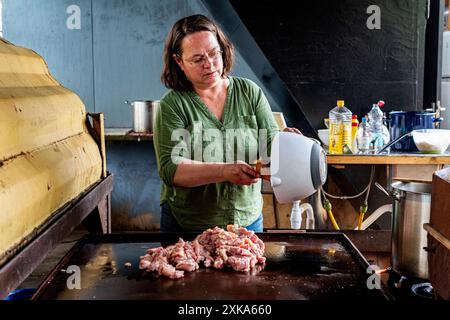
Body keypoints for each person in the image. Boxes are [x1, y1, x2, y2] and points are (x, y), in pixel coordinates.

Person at [154, 14, 301, 233]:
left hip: (247, 223)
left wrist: (287, 145)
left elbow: (270, 145)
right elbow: (171, 169)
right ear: (178, 61)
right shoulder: (174, 105)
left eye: (214, 53)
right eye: (197, 59)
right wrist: (224, 171)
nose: (209, 64)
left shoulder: (249, 92)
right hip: (189, 226)